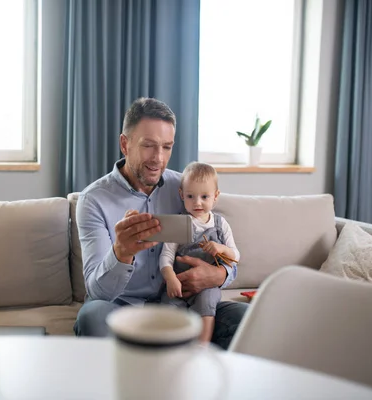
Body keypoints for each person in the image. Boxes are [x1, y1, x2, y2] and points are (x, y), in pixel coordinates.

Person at [73, 97, 248, 350]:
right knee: (92, 317)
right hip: (121, 307)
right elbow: (98, 292)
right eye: (149, 146)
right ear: (125, 144)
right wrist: (121, 253)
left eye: (166, 147)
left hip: (182, 305)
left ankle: (199, 383)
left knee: (245, 320)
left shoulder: (186, 190)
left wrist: (218, 275)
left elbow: (226, 250)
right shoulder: (94, 200)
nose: (158, 158)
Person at [159, 162, 240, 343]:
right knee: (169, 307)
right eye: (190, 196)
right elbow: (166, 256)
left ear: (215, 196)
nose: (197, 202)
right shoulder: (179, 223)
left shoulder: (220, 224)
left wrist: (221, 249)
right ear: (182, 195)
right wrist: (170, 277)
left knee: (208, 299)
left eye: (204, 196)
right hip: (179, 284)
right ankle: (172, 345)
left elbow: (236, 256)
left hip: (206, 286)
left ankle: (202, 346)